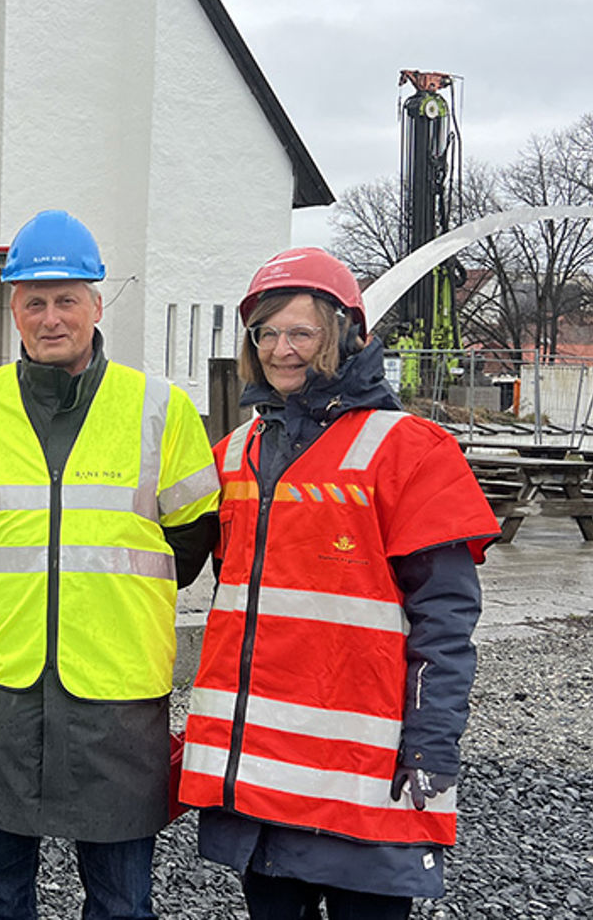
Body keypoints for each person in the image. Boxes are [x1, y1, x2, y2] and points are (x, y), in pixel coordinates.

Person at [0, 209, 220, 920]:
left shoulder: (159, 409)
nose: (51, 317)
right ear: (14, 308)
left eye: (67, 299)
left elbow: (194, 538)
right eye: (35, 301)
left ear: (96, 303)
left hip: (117, 691)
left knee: (119, 896)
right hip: (3, 683)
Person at [178, 248, 498, 919]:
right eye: (266, 332)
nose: (280, 349)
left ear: (345, 333)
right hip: (263, 778)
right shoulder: (234, 453)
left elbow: (445, 619)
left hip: (365, 775)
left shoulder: (411, 450)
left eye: (301, 331)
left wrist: (430, 740)